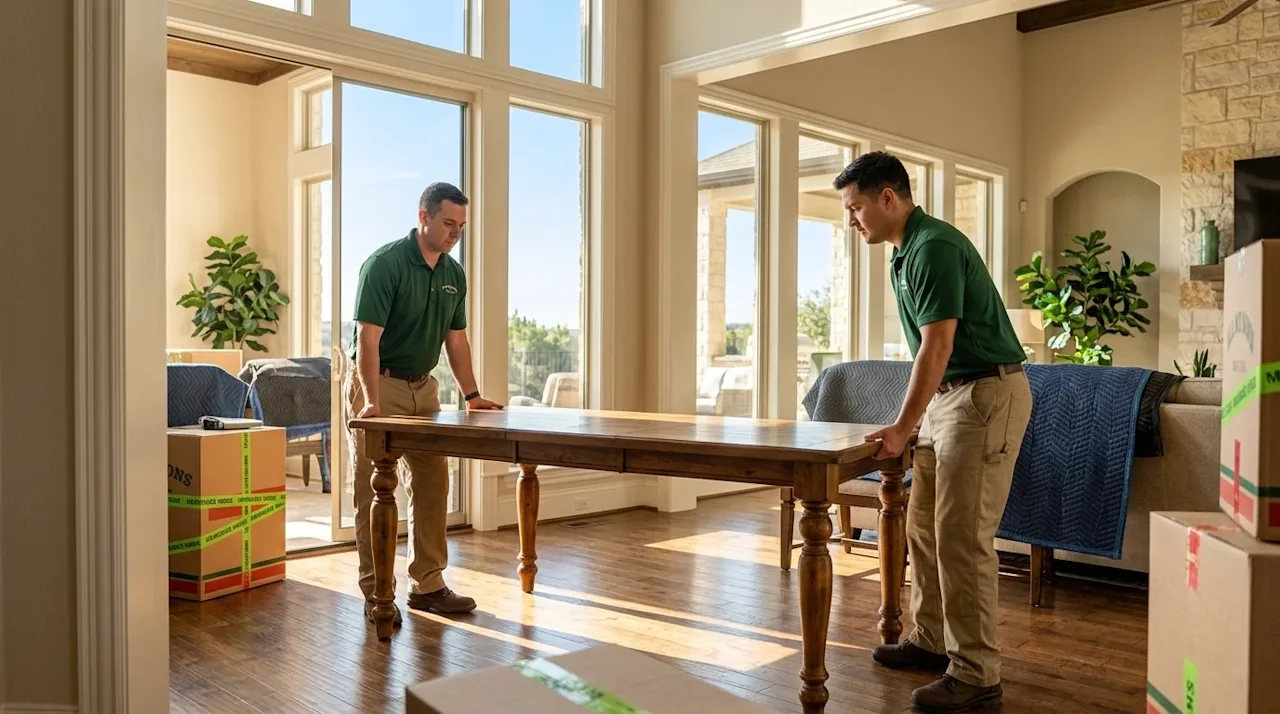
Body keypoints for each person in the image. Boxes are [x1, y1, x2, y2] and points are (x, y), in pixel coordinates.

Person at [833, 152, 1032, 713]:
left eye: (856, 208)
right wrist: (918, 418)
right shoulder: (903, 253)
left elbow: (937, 345)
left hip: (985, 397)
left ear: (888, 198)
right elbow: (935, 355)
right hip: (952, 400)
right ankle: (931, 638)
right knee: (923, 527)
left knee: (962, 539)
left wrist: (900, 426)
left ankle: (976, 674)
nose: (853, 220)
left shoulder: (933, 248)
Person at [347, 182, 503, 627]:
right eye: (448, 223)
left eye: (461, 226)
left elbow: (456, 341)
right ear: (424, 218)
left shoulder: (453, 275)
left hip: (424, 388)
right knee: (373, 491)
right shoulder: (385, 264)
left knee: (433, 482)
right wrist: (373, 401)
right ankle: (377, 591)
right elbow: (367, 338)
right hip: (378, 384)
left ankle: (428, 584)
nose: (455, 233)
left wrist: (472, 395)